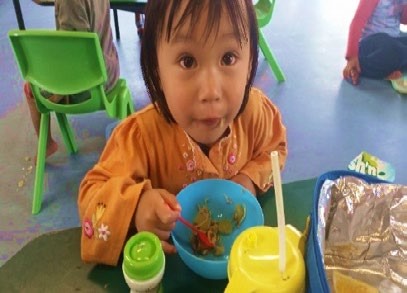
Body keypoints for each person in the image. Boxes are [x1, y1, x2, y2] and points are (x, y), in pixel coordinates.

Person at [78, 0, 287, 266]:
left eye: (228, 58)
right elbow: (92, 198)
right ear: (157, 69)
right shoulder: (141, 137)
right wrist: (136, 208)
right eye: (188, 61)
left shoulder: (255, 113)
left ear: (249, 65)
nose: (211, 91)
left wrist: (250, 178)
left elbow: (275, 149)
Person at [24, 0, 120, 158]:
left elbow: (73, 52)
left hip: (89, 85)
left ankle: (47, 144)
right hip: (110, 68)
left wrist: (46, 76)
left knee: (30, 88)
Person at [343, 0, 407, 85]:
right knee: (392, 48)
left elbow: (404, 20)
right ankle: (358, 67)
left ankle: (390, 68)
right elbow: (357, 22)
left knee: (397, 49)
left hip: (393, 41)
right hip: (371, 44)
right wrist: (352, 57)